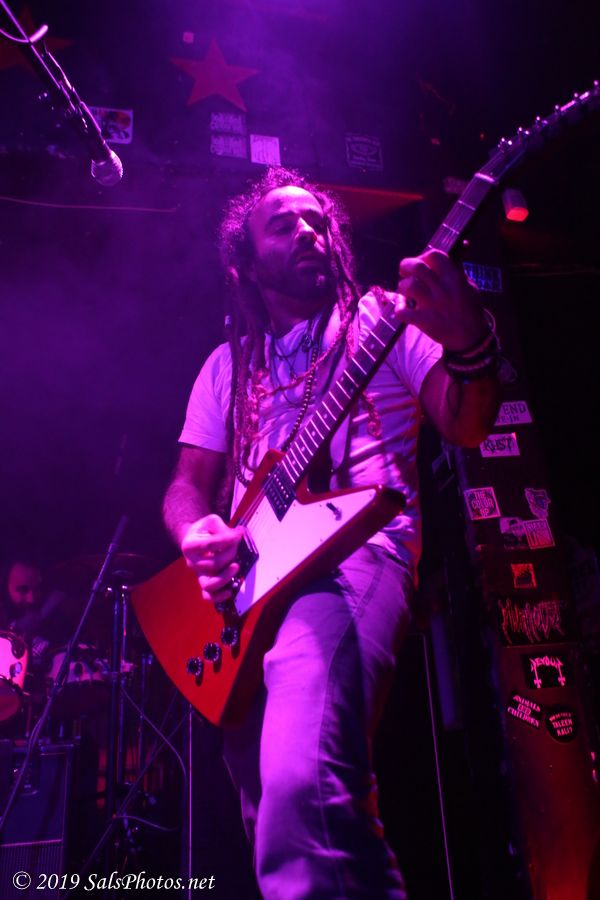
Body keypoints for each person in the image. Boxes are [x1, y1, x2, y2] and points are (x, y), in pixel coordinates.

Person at [162, 166, 501, 898]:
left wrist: (471, 345)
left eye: (317, 221)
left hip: (354, 558)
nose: (307, 231)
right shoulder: (227, 366)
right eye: (282, 225)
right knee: (271, 816)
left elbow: (466, 422)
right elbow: (187, 486)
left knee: (300, 789)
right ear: (245, 263)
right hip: (248, 593)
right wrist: (198, 534)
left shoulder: (386, 321)